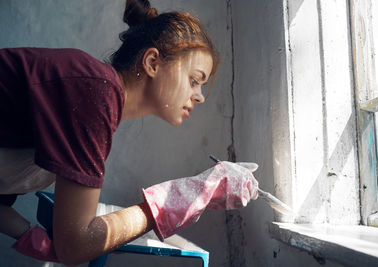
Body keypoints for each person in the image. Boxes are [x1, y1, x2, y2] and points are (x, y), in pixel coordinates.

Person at [0, 0, 259, 265]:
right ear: (152, 63)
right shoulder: (96, 92)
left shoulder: (98, 99)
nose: (200, 97)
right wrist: (184, 196)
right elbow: (75, 245)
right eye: (194, 80)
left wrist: (32, 237)